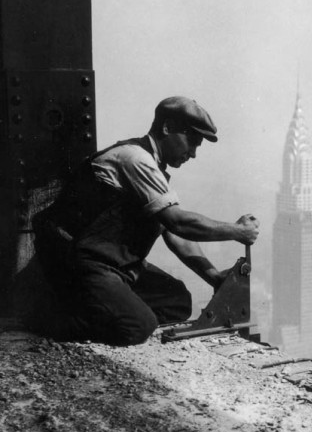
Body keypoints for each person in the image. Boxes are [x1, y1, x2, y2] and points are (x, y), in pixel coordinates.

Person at [33, 96, 260, 345]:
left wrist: (214, 277)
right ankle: (49, 319)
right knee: (138, 326)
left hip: (110, 264)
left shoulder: (152, 167)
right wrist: (237, 231)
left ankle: (104, 306)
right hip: (81, 261)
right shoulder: (135, 159)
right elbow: (179, 223)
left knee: (176, 301)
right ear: (167, 128)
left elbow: (175, 235)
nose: (193, 154)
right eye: (191, 142)